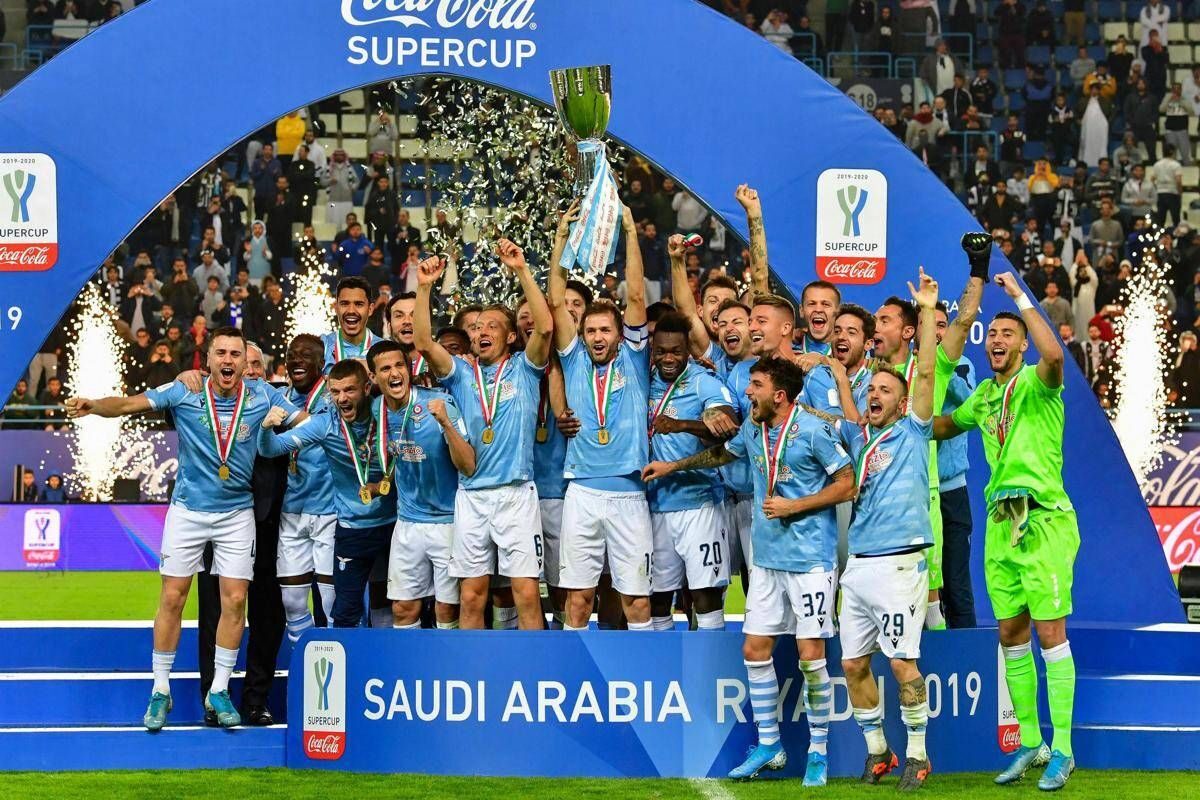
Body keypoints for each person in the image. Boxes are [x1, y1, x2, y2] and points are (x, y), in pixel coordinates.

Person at [66, 327, 303, 731]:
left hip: (236, 514)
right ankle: (160, 690)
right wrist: (93, 405)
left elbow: (308, 419)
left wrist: (322, 425)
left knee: (235, 601)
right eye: (221, 353)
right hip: (188, 512)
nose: (228, 360)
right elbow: (128, 404)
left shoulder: (263, 395)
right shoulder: (185, 391)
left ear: (244, 363)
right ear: (207, 360)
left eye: (235, 354)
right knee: (173, 598)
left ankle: (219, 691)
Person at [643, 356, 854, 784]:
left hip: (810, 562)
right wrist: (672, 466)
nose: (747, 392)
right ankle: (770, 745)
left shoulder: (813, 430)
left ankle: (818, 750)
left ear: (780, 395)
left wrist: (796, 506)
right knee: (754, 650)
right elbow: (722, 453)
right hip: (768, 561)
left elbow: (847, 483)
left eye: (756, 385)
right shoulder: (754, 430)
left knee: (810, 655)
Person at [933, 272, 1079, 791]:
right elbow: (941, 426)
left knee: (1050, 634)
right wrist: (909, 407)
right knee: (1011, 636)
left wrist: (1019, 296)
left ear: (1021, 346)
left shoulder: (1040, 384)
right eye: (992, 334)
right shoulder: (982, 397)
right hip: (1001, 525)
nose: (996, 340)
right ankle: (1031, 741)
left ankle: (1064, 749)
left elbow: (1055, 356)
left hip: (1043, 521)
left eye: (1007, 334)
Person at [412, 242, 552, 630]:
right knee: (472, 595)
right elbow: (423, 343)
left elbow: (544, 327)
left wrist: (522, 270)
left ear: (511, 337)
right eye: (476, 327)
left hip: (516, 493)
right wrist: (424, 287)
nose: (481, 331)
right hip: (472, 496)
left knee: (526, 593)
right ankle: (472, 664)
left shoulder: (526, 368)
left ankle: (534, 664)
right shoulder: (460, 374)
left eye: (492, 326)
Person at [840, 268, 941, 790]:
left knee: (903, 665)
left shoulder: (912, 431)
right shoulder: (860, 440)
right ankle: (878, 750)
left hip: (901, 564)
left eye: (885, 389)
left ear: (902, 403)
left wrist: (926, 310)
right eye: (872, 389)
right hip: (858, 566)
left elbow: (925, 374)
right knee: (853, 664)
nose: (876, 394)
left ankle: (918, 755)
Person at [871, 234, 987, 630]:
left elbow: (963, 323)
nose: (875, 327)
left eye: (884, 320)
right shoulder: (864, 378)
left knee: (932, 600)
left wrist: (978, 269)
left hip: (922, 498)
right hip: (874, 502)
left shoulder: (930, 373)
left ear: (907, 331)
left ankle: (939, 666)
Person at [550, 202, 655, 632]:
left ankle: (644, 670)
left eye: (605, 330)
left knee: (637, 602)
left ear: (619, 334)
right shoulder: (574, 360)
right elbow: (555, 300)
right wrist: (561, 238)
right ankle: (573, 669)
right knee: (577, 600)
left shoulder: (634, 359)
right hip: (582, 494)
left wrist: (630, 231)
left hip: (630, 493)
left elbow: (636, 296)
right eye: (590, 330)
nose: (597, 337)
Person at [257, 359, 398, 629]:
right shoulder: (325, 424)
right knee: (344, 613)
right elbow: (270, 449)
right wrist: (265, 430)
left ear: (366, 388)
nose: (342, 398)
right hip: (353, 528)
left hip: (395, 523)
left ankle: (392, 656)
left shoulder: (386, 415)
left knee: (396, 604)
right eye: (335, 392)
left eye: (349, 390)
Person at [368, 340, 475, 630]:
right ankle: (408, 659)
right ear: (373, 377)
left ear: (409, 370)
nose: (394, 373)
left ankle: (447, 659)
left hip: (448, 521)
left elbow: (468, 464)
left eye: (399, 366)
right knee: (403, 609)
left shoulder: (439, 403)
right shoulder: (377, 409)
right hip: (407, 523)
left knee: (447, 609)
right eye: (385, 369)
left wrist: (446, 424)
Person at [644, 311, 737, 632]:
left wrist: (682, 425)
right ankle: (662, 660)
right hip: (655, 506)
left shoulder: (703, 381)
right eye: (661, 351)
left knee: (704, 594)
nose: (668, 358)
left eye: (676, 351)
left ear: (688, 351)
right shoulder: (645, 380)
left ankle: (709, 660)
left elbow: (728, 425)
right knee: (657, 598)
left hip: (699, 504)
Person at [266, 335, 338, 645]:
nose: (297, 360)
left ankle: (342, 663)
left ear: (322, 363)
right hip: (292, 512)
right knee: (292, 602)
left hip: (331, 511)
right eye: (292, 355)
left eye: (306, 355)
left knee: (332, 602)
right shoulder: (278, 399)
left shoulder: (335, 397)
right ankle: (305, 660)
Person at [321, 277, 383, 373]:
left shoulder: (383, 349)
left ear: (370, 309)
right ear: (336, 308)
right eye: (344, 304)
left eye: (359, 304)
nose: (351, 311)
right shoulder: (322, 346)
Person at [1153, 143, 1184, 228]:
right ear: (1173, 152)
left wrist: (1157, 188)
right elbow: (1178, 181)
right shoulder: (1176, 165)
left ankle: (1159, 234)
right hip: (1173, 193)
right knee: (1176, 218)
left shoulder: (1157, 164)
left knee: (1160, 219)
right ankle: (1176, 234)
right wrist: (1180, 192)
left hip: (1160, 193)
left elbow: (1152, 179)